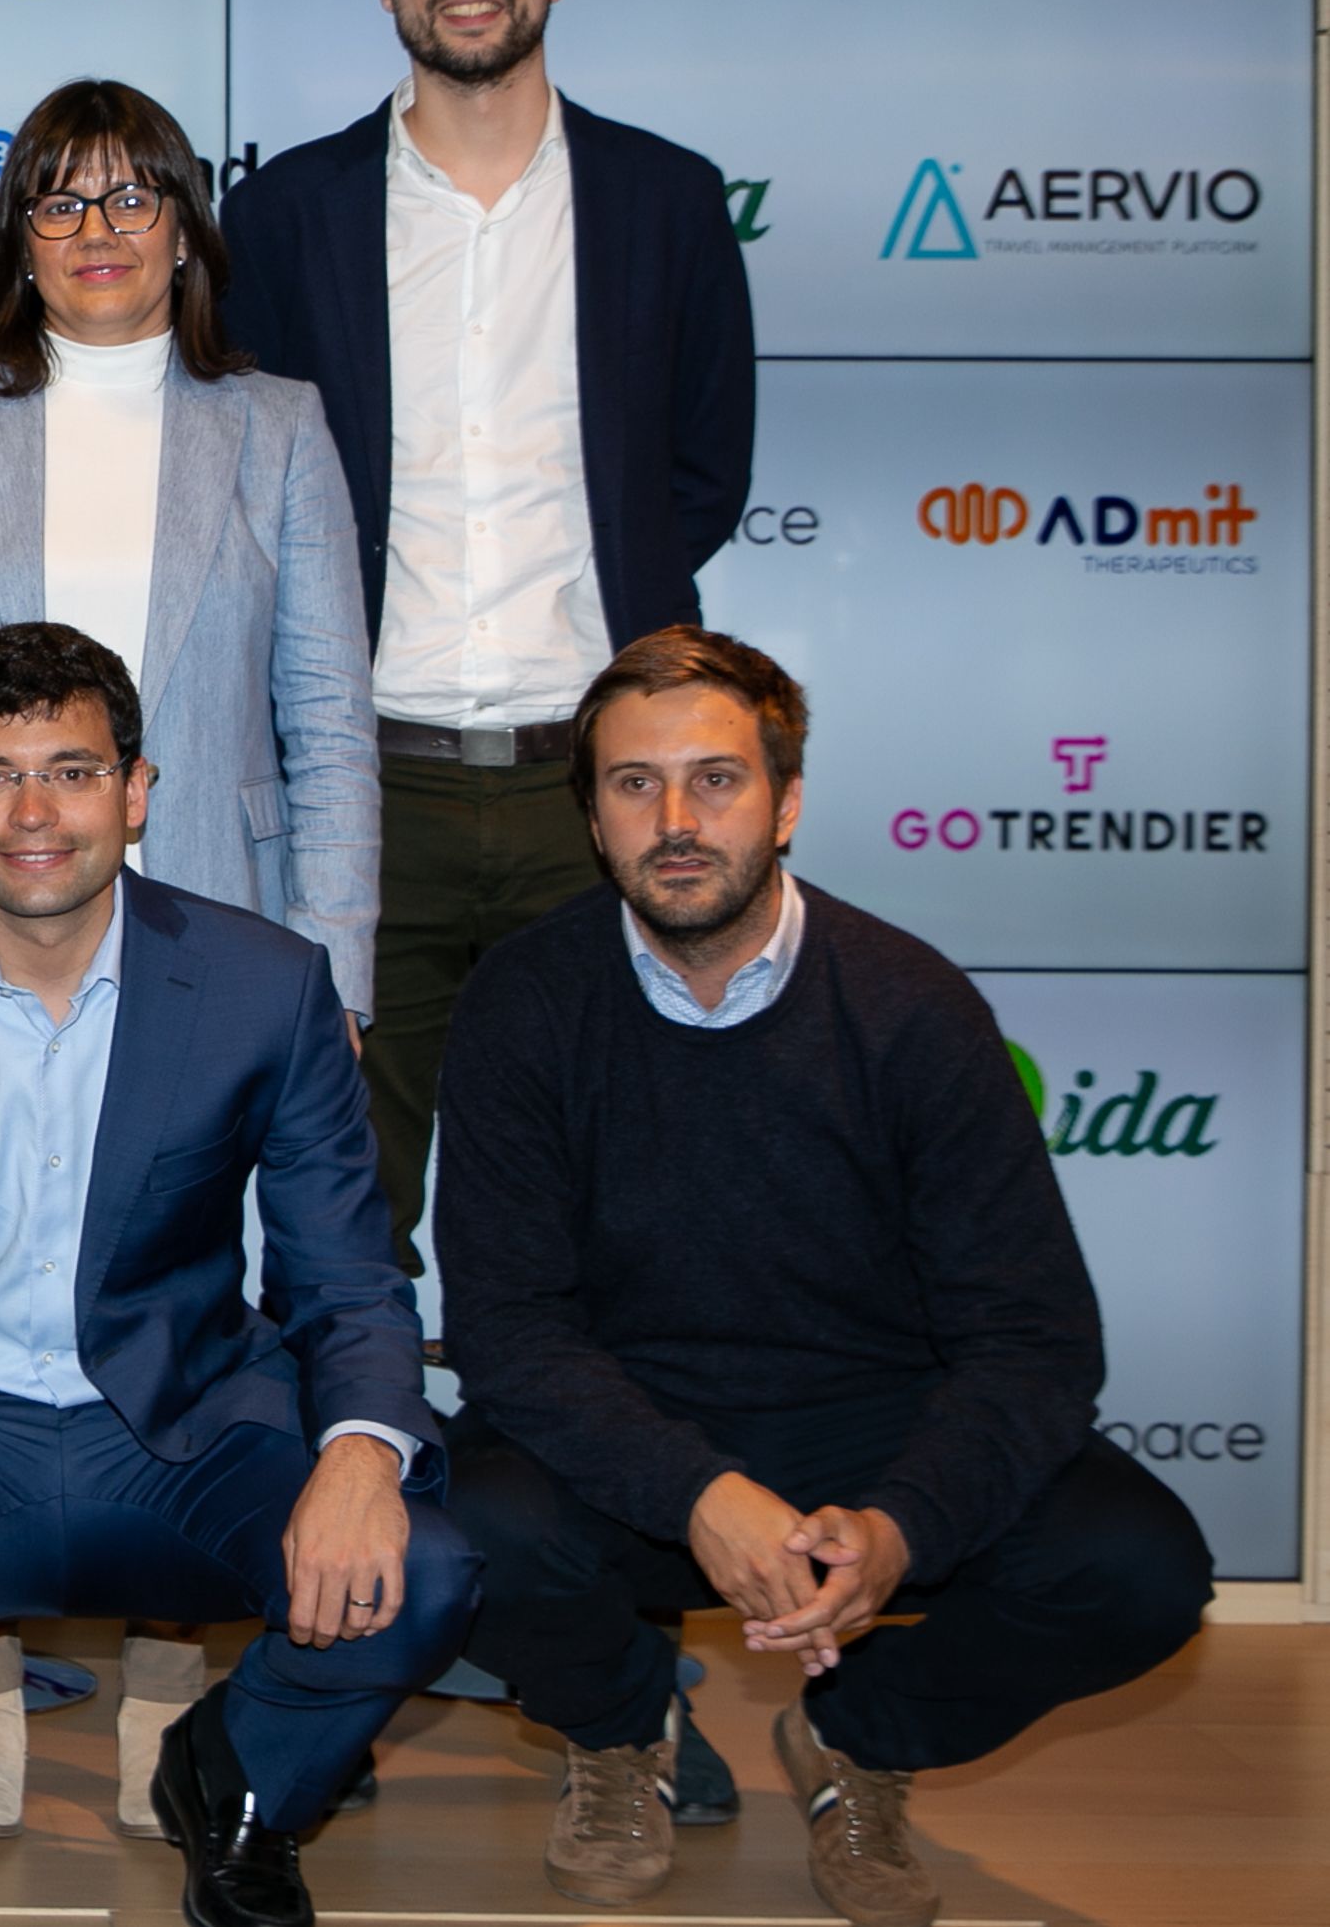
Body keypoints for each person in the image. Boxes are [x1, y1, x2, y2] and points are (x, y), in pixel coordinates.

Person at [433, 627, 1210, 1927]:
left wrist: (904, 1520)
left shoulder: (910, 1004)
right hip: (635, 1418)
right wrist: (700, 1492)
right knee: (453, 1533)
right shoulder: (525, 999)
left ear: (787, 801)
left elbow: (1035, 1340)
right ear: (591, 814)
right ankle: (624, 1731)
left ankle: (860, 1739)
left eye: (717, 779)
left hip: (872, 1420)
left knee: (1137, 1564)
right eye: (634, 783)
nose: (676, 820)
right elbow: (510, 1327)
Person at [0, 622, 470, 1927]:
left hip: (183, 1425)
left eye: (70, 769)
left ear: (136, 789)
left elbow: (346, 1271)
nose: (33, 811)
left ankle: (231, 1782)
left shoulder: (264, 984)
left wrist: (358, 1451)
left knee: (426, 1572)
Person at [218, 0, 757, 1276]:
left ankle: (600, 1495)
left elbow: (704, 473)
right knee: (343, 1203)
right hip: (365, 783)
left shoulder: (666, 203)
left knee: (617, 1195)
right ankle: (360, 1480)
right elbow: (254, 491)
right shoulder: (287, 213)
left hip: (601, 785)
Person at [0, 78, 375, 1027]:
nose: (97, 233)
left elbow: (329, 734)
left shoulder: (280, 429)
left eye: (130, 200)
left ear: (184, 230)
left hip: (225, 916)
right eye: (61, 205)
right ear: (24, 243)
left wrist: (335, 979)